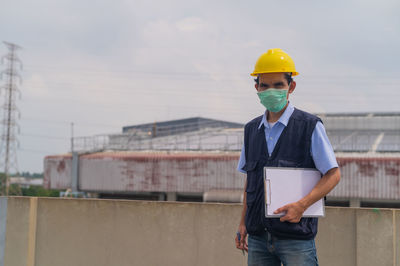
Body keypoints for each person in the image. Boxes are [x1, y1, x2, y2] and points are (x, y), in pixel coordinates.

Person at [234, 48, 340, 266]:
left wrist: (302, 205)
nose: (270, 91)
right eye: (264, 85)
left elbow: (333, 174)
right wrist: (243, 223)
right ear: (257, 88)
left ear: (290, 87)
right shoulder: (251, 130)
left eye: (278, 85)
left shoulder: (309, 126)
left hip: (296, 237)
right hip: (258, 238)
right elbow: (250, 182)